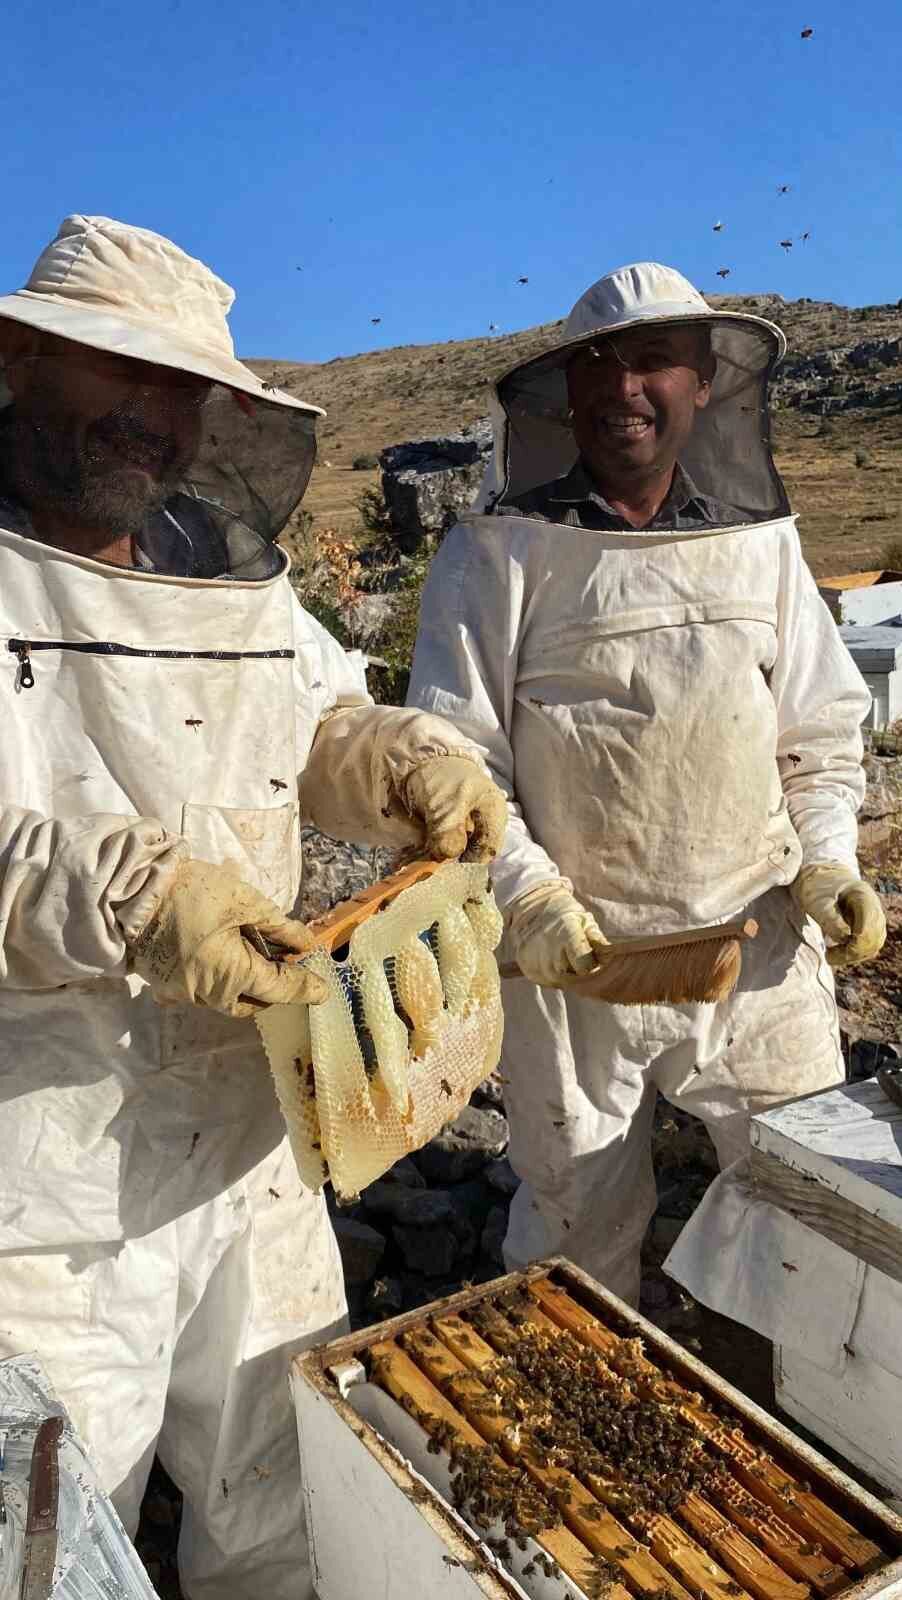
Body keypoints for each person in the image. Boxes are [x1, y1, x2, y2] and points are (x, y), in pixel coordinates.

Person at [0, 214, 507, 1600]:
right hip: (39, 1178)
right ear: (25, 362)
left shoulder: (212, 559)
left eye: (183, 391)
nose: (154, 420)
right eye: (121, 375)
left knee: (284, 1489)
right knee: (58, 1532)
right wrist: (125, 893)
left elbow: (315, 717)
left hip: (257, 1132)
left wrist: (399, 755)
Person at [407, 260, 886, 1306]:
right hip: (574, 966)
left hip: (753, 953)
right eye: (599, 366)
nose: (623, 387)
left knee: (815, 1210)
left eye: (653, 362)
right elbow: (453, 759)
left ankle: (800, 1412)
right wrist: (524, 895)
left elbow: (815, 730)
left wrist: (828, 862)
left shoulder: (759, 545)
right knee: (573, 1226)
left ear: (704, 383)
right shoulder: (494, 554)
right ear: (566, 394)